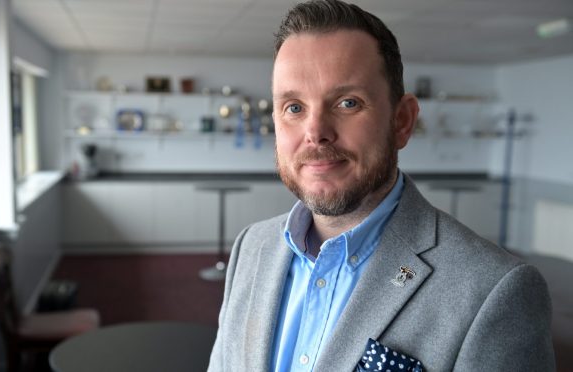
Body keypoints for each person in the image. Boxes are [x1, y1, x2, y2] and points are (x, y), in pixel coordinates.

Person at [207, 0, 555, 371]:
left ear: (402, 121)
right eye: (294, 107)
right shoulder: (252, 247)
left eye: (347, 102)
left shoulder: (494, 291)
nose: (316, 133)